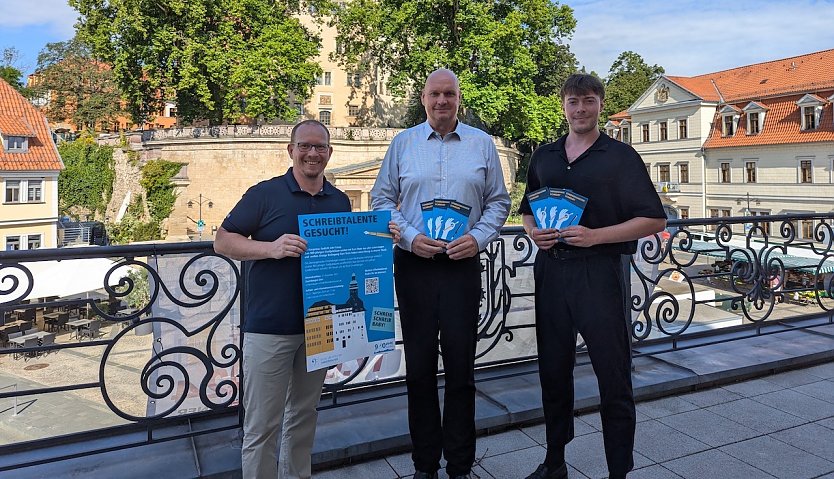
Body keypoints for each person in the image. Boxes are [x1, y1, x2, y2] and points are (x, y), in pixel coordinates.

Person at [214, 119, 399, 479]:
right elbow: (222, 240)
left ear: (330, 153)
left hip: (321, 325)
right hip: (270, 328)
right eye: (305, 146)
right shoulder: (264, 194)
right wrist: (270, 248)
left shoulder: (339, 199)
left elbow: (348, 257)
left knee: (303, 417)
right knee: (261, 426)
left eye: (320, 147)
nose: (312, 153)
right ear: (291, 150)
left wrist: (378, 241)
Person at [520, 74, 666, 479]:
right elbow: (527, 207)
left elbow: (654, 219)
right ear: (562, 106)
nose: (579, 109)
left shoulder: (619, 156)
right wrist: (534, 232)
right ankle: (554, 462)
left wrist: (595, 237)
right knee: (552, 369)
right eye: (572, 102)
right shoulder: (544, 155)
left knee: (613, 373)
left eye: (587, 101)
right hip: (551, 271)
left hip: (600, 274)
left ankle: (618, 470)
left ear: (600, 104)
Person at [371, 68, 511, 479]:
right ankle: (425, 466)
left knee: (462, 370)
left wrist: (480, 238)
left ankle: (461, 465)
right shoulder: (402, 143)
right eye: (435, 94)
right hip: (414, 265)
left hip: (461, 265)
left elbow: (498, 203)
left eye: (449, 94)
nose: (442, 101)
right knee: (418, 371)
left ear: (458, 98)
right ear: (423, 98)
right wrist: (411, 237)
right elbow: (382, 199)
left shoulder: (482, 144)